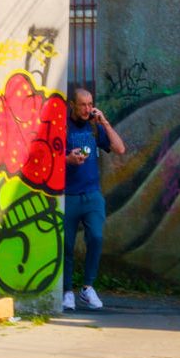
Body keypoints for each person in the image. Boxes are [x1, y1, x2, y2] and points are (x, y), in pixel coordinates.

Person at [63, 86, 125, 311]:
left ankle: (87, 288)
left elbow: (119, 148)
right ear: (73, 105)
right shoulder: (63, 126)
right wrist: (67, 160)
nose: (87, 109)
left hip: (92, 194)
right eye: (83, 105)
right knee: (66, 245)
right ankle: (67, 291)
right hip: (68, 194)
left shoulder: (94, 127)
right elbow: (49, 154)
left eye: (91, 104)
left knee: (96, 238)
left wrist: (105, 123)